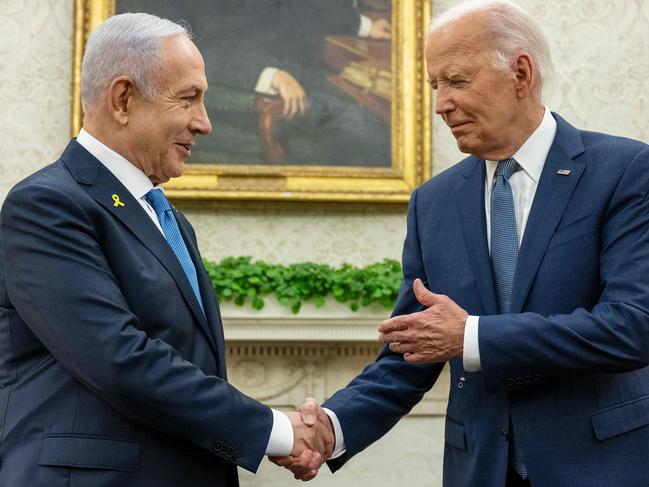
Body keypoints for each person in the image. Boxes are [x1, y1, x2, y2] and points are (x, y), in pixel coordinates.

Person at [275, 0, 649, 486]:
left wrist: (472, 337)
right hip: (480, 472)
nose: (439, 104)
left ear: (520, 72)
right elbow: (412, 352)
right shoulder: (433, 203)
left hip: (601, 468)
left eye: (456, 80)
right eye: (435, 85)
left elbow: (632, 327)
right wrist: (331, 426)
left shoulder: (623, 172)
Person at [0, 13, 332, 486]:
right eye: (189, 99)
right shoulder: (48, 205)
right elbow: (121, 359)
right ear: (122, 100)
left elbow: (186, 363)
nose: (205, 124)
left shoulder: (166, 216)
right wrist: (274, 430)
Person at [117, 0, 392, 166]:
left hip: (302, 70)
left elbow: (295, 9)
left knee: (376, 117)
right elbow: (168, 51)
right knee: (364, 129)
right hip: (242, 85)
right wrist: (267, 74)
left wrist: (363, 25)